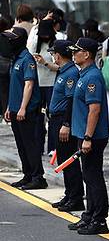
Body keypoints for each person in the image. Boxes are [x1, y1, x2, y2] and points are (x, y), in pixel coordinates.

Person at [66, 38, 109, 235]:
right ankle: (90, 214)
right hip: (84, 134)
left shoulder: (92, 77)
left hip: (91, 136)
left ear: (87, 55)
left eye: (77, 51)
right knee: (88, 175)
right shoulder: (84, 74)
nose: (74, 54)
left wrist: (88, 137)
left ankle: (99, 219)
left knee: (93, 176)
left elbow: (94, 110)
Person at [2, 27, 46, 190]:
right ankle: (27, 174)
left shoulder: (27, 59)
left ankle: (37, 177)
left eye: (12, 38)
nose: (8, 42)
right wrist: (9, 107)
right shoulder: (15, 58)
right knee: (21, 145)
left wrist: (22, 108)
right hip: (14, 109)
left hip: (25, 111)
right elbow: (16, 87)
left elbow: (29, 85)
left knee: (30, 144)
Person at [47, 40, 84, 212]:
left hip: (63, 120)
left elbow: (70, 100)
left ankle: (76, 197)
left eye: (53, 53)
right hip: (56, 119)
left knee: (69, 159)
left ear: (59, 55)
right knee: (63, 158)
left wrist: (66, 124)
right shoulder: (63, 72)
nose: (52, 56)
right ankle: (70, 194)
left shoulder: (70, 73)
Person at [30, 19, 59, 155]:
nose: (44, 37)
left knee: (52, 116)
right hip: (37, 84)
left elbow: (59, 67)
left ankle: (53, 147)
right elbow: (30, 45)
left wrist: (45, 62)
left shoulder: (56, 44)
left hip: (52, 84)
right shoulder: (35, 43)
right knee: (37, 117)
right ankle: (38, 146)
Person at [0, 16, 12, 114]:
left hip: (2, 67)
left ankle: (3, 111)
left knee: (4, 91)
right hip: (9, 67)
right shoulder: (9, 38)